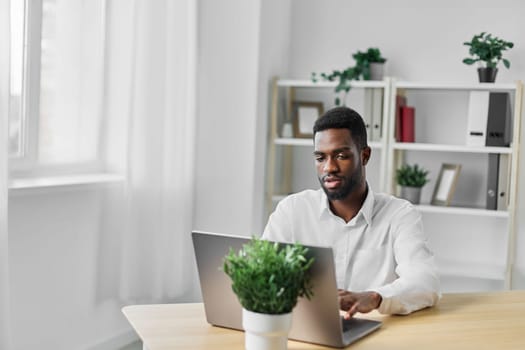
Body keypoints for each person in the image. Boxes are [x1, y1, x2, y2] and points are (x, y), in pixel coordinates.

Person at [262, 106, 440, 317]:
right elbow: (262, 274)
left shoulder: (399, 214)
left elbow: (425, 282)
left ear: (364, 156)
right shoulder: (292, 210)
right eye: (320, 158)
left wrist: (375, 297)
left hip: (377, 334)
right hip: (307, 332)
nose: (329, 167)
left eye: (341, 156)